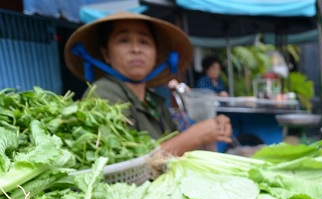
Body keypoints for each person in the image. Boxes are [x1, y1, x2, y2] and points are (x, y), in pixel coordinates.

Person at [64, 11, 233, 157]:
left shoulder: (154, 102)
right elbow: (123, 164)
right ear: (106, 53)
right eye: (124, 40)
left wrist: (212, 132)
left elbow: (179, 152)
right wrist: (195, 136)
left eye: (144, 42)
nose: (136, 49)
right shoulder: (102, 93)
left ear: (156, 53)